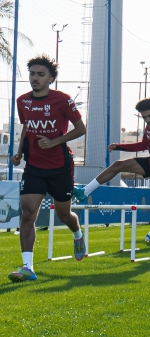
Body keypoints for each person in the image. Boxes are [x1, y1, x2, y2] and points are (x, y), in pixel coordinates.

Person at [78, 98, 150, 263]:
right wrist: (119, 146)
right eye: (144, 117)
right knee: (118, 165)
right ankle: (84, 191)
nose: (148, 120)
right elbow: (144, 145)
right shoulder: (149, 128)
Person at [8, 55, 88, 283]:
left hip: (60, 167)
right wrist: (19, 152)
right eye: (32, 73)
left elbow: (81, 129)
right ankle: (27, 267)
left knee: (64, 215)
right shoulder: (23, 101)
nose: (35, 78)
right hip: (34, 167)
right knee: (27, 214)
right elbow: (26, 128)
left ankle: (78, 233)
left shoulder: (62, 100)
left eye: (40, 74)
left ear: (51, 78)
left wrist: (54, 141)